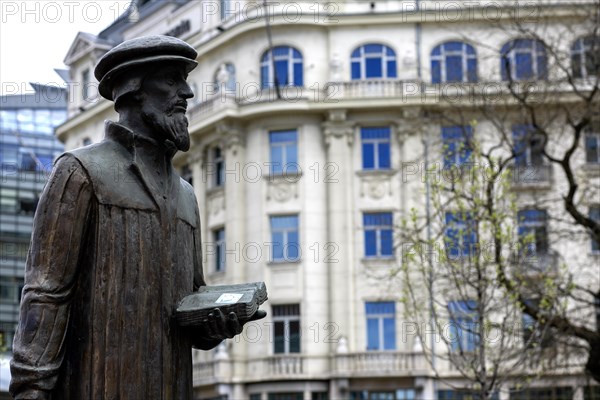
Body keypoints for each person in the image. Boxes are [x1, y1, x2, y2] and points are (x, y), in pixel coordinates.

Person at [10, 35, 263, 400]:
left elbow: (189, 302)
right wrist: (31, 390)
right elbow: (46, 294)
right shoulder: (80, 170)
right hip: (99, 385)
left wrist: (214, 326)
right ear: (134, 89)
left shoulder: (187, 195)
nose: (187, 94)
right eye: (172, 79)